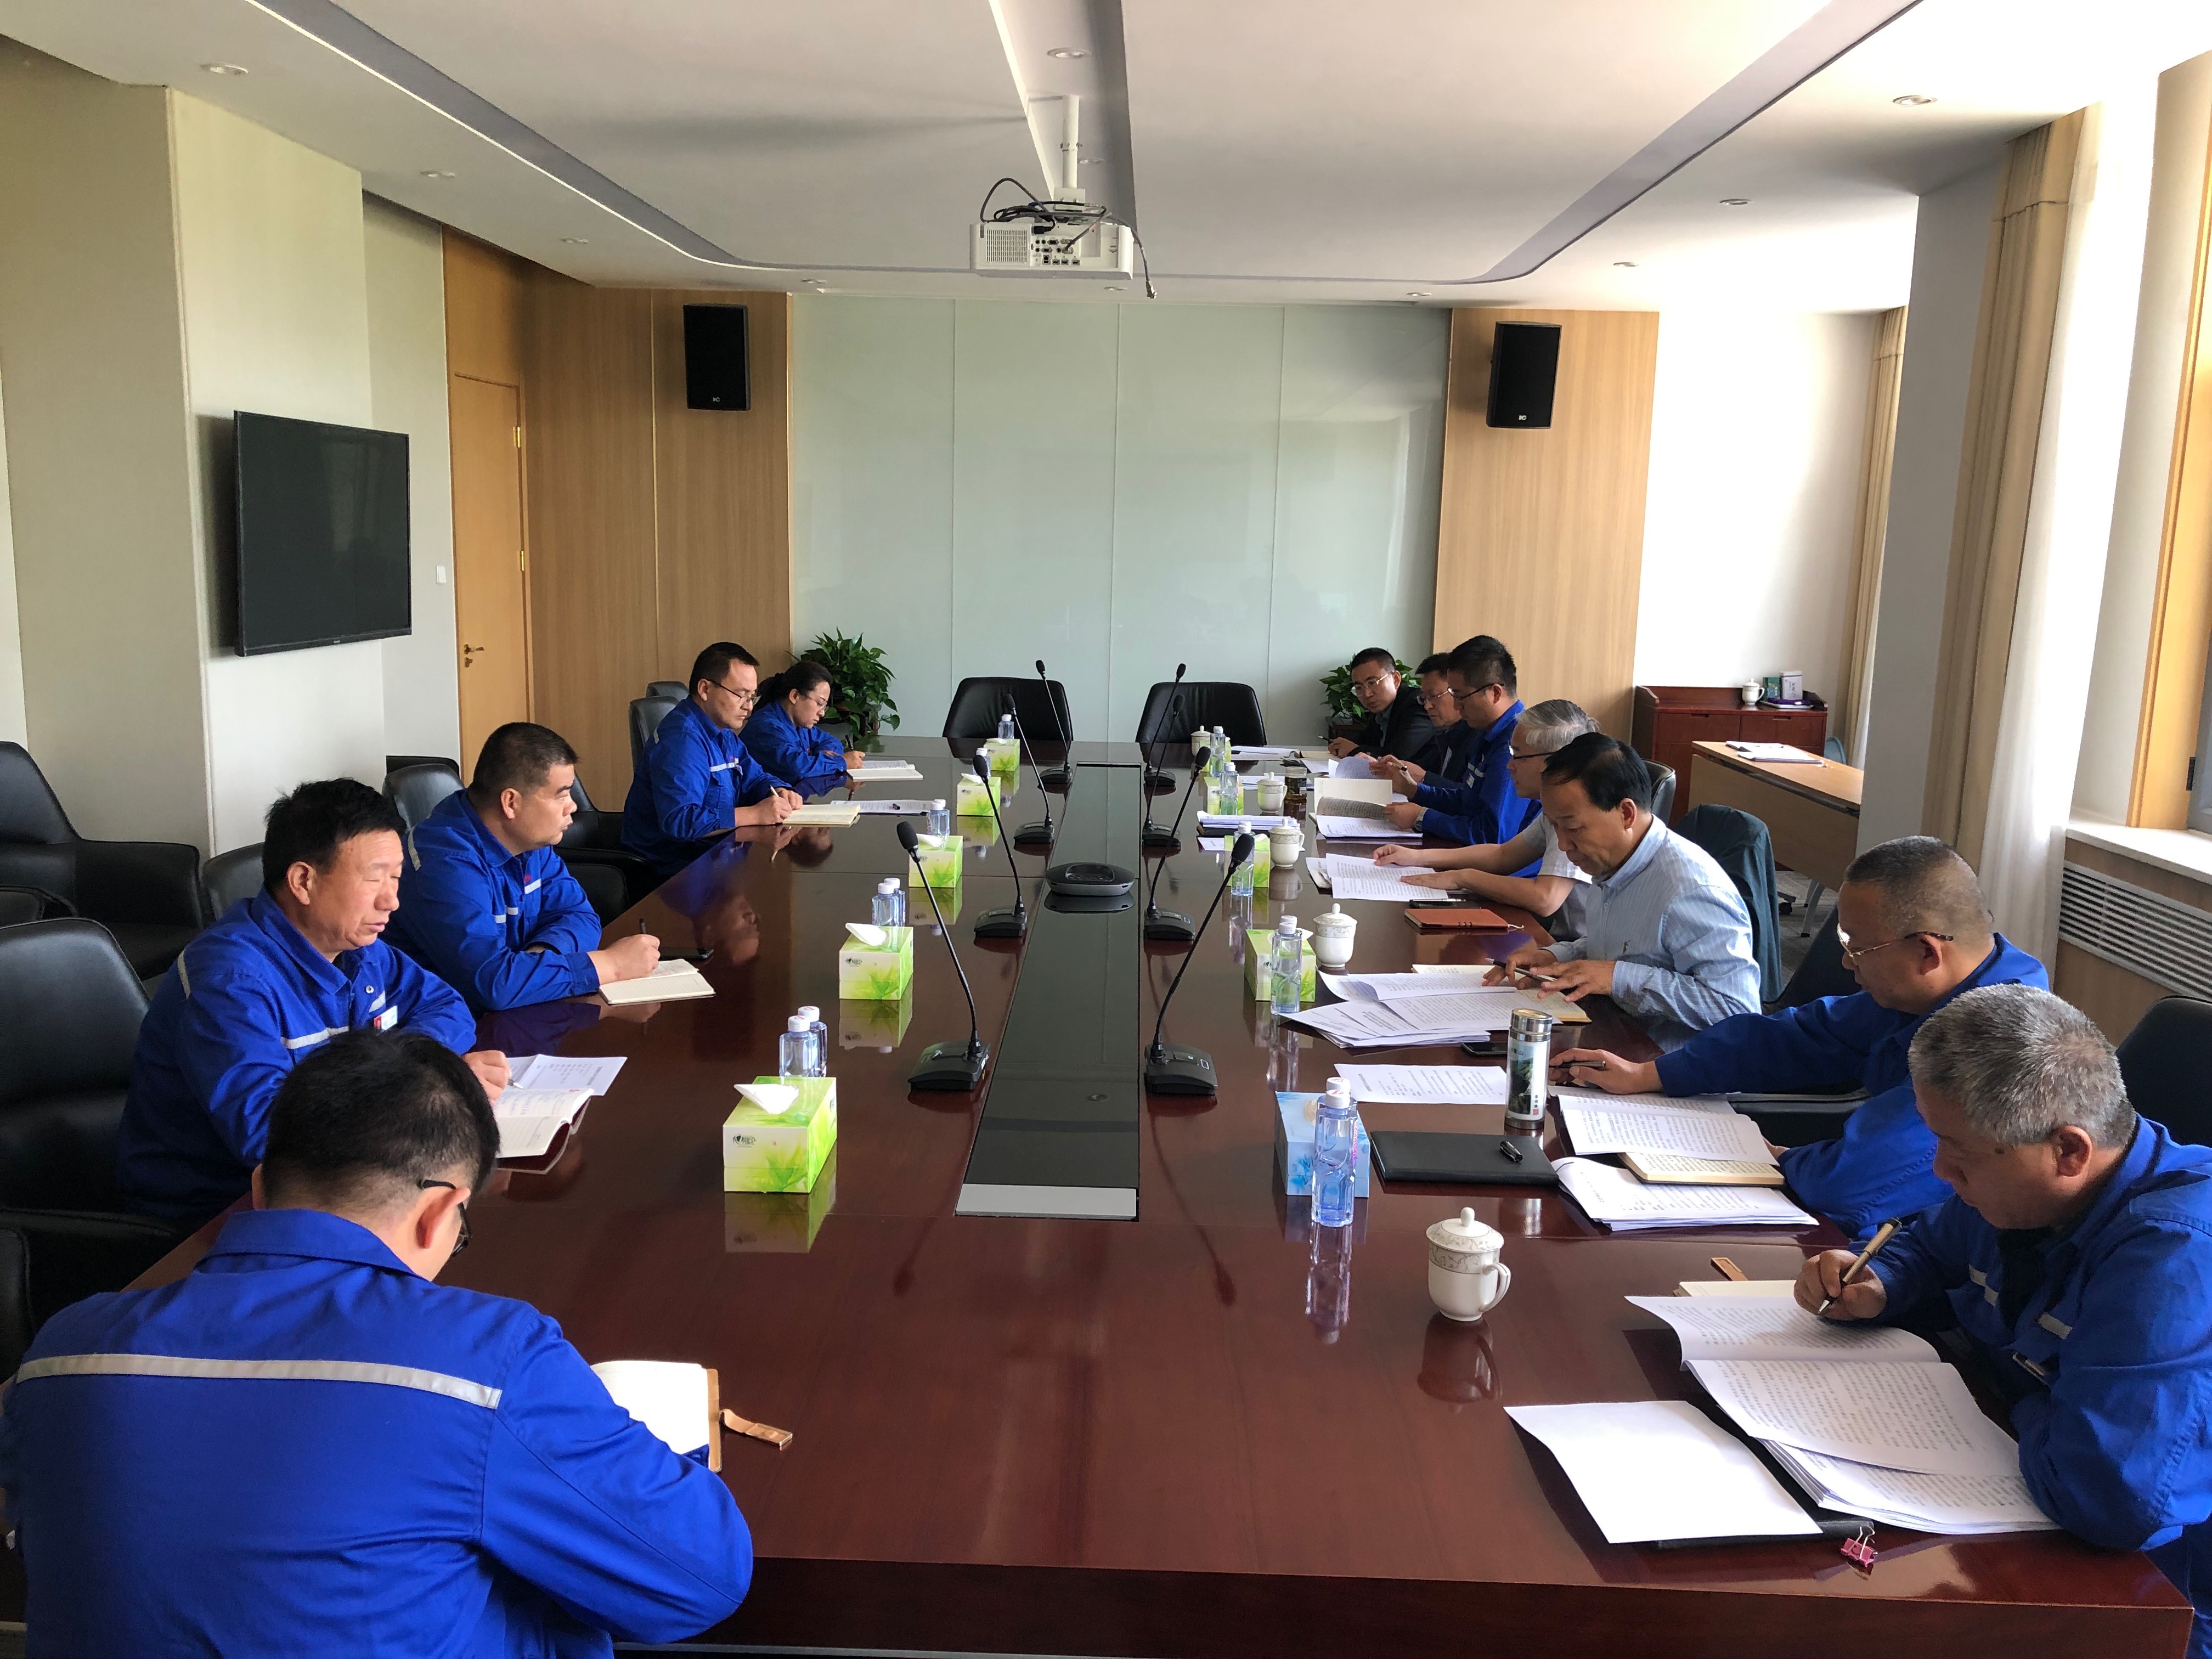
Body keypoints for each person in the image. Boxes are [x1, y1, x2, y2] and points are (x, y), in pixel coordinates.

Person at [5, 1030, 753, 1656]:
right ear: (441, 1213)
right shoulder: (487, 1362)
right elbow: (704, 1579)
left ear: (261, 1188)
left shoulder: (62, 1353)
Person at [1798, 986, 2212, 1656]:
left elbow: (2111, 1499)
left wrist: (2013, 1388)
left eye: (1958, 1153)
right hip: (2021, 1502)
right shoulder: (2024, 1193)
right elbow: (1931, 1246)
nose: (1940, 1171)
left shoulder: (2175, 1258)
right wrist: (1879, 1282)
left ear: (2069, 1152)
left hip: (2158, 1598)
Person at [1559, 837, 2046, 1235]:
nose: (1846, 962)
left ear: (1926, 953)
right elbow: (1798, 1037)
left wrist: (1787, 1161)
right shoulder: (1919, 994)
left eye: (1859, 948)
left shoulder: (1998, 1042)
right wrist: (1652, 1073)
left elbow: (1857, 1184)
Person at [117, 780, 505, 1225]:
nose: (392, 901)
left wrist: (412, 1069)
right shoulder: (229, 982)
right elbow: (271, 1139)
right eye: (374, 878)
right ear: (303, 881)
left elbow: (447, 1006)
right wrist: (423, 1085)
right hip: (215, 1217)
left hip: (339, 1187)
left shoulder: (358, 948)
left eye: (396, 877)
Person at [1488, 733, 1758, 1048]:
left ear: (1626, 814)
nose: (1563, 845)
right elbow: (1622, 946)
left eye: (1573, 828)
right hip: (1612, 1034)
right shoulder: (1613, 860)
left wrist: (1619, 978)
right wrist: (1553, 956)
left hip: (1662, 1062)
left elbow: (1737, 1009)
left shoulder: (1691, 891)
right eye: (1555, 827)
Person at [386, 723, 662, 1012]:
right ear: (511, 802)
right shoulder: (443, 863)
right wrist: (611, 965)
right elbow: (494, 985)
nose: (573, 807)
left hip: (514, 1012)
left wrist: (540, 962)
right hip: (443, 1025)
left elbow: (579, 915)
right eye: (561, 795)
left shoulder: (529, 842)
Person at [1375, 698, 1598, 930]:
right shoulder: (1552, 809)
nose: (1509, 766)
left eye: (1518, 755)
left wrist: (1464, 878)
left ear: (1552, 761)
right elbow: (1502, 855)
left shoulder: (1575, 813)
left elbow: (1545, 899)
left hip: (1573, 939)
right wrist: (1416, 857)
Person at [624, 641, 802, 882]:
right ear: (705, 689)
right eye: (741, 695)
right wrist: (755, 815)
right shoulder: (682, 741)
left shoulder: (723, 733)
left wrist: (780, 790)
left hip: (716, 857)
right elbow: (681, 821)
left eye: (752, 697)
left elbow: (755, 778)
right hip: (675, 872)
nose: (749, 707)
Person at [1376, 635, 1538, 848]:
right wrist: (1414, 790)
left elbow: (1491, 836)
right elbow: (1468, 801)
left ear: (1495, 693)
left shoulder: (1514, 744)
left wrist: (1423, 817)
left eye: (1461, 697)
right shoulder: (1486, 730)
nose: (1456, 705)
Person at [741, 659, 865, 797]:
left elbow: (831, 742)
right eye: (819, 703)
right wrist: (841, 762)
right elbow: (797, 768)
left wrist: (822, 756)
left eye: (824, 706)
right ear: (795, 696)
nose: (822, 713)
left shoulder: (801, 725)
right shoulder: (766, 727)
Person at [1326, 647, 1440, 768]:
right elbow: (1364, 739)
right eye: (1359, 688)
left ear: (1396, 679)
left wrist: (1354, 750)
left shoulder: (1417, 707)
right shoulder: (1381, 709)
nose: (1367, 694)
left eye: (1372, 683)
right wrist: (1342, 745)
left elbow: (1396, 756)